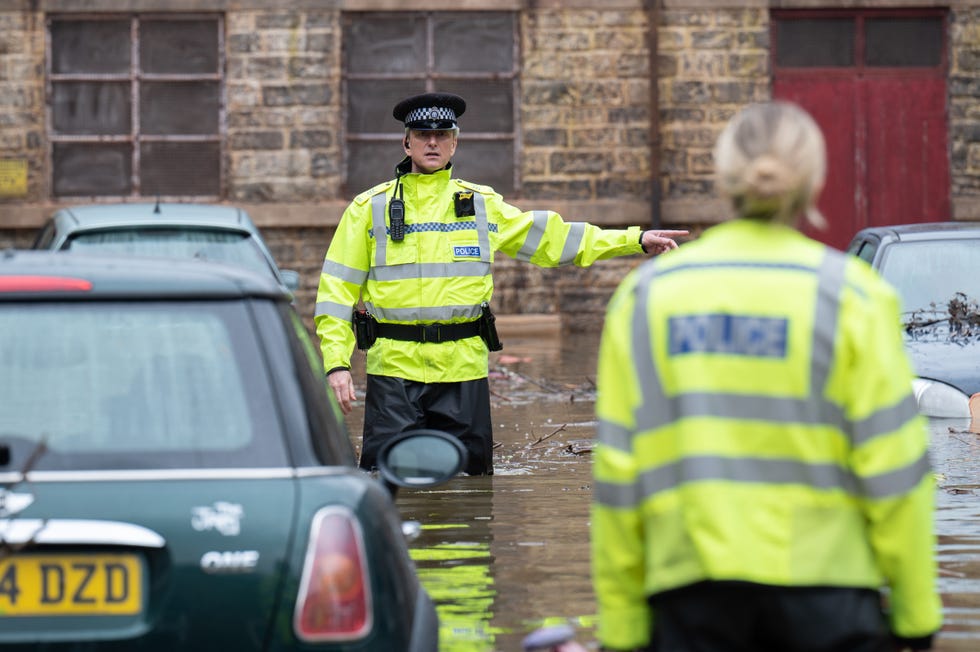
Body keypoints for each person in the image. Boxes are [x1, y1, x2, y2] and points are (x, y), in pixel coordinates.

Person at [591, 101, 942, 652]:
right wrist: (917, 618)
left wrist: (622, 630)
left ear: (722, 177)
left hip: (688, 599)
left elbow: (618, 477)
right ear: (816, 180)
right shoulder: (854, 297)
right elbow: (897, 474)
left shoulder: (646, 298)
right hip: (831, 598)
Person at [314, 91, 687, 476]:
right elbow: (335, 292)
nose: (432, 142)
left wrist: (633, 239)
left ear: (454, 142)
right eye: (423, 134)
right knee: (388, 485)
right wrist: (337, 365)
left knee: (470, 491)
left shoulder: (481, 205)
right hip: (393, 374)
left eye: (442, 134)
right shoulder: (368, 209)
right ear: (406, 142)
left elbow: (552, 240)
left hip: (463, 376)